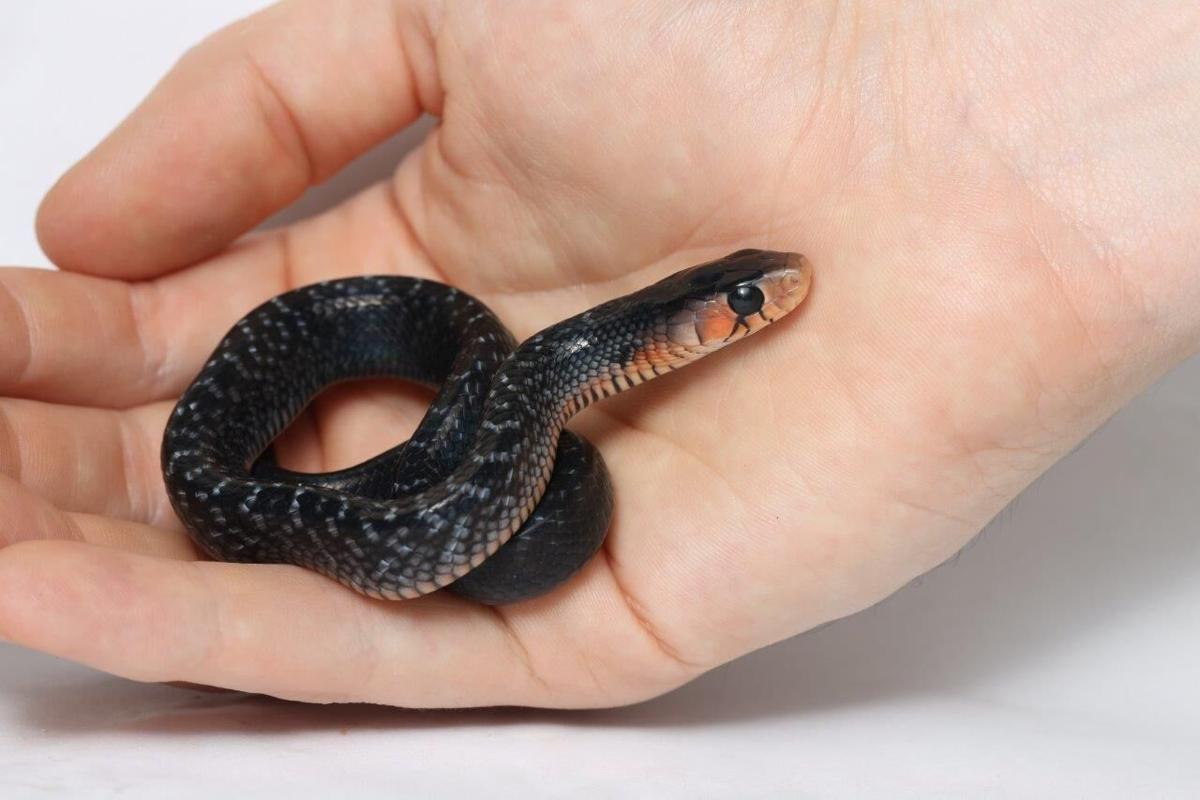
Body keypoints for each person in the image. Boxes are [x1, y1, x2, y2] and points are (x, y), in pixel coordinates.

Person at [0, 1, 1196, 708]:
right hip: (379, 450)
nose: (770, 301)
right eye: (744, 302)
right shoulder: (533, 376)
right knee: (244, 478)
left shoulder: (527, 370)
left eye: (748, 298)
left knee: (480, 426)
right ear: (681, 325)